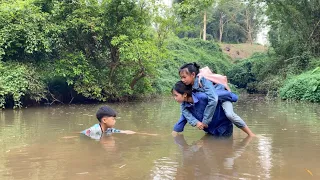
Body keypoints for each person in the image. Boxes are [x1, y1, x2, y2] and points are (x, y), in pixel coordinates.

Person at [179, 63, 255, 136]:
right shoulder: (189, 86)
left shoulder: (203, 80)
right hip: (215, 101)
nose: (182, 80)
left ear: (193, 75)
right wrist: (195, 122)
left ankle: (250, 134)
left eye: (184, 77)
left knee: (230, 115)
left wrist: (205, 121)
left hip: (223, 97)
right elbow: (185, 107)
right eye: (181, 77)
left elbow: (213, 99)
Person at [172, 81, 236, 136]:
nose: (174, 98)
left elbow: (227, 95)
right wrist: (174, 133)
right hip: (210, 131)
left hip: (224, 128)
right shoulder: (185, 106)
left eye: (176, 95)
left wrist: (234, 98)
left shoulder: (203, 96)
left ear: (185, 94)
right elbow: (183, 119)